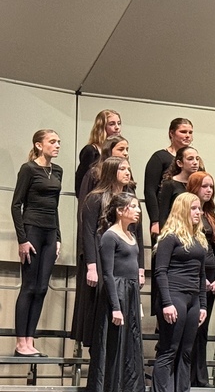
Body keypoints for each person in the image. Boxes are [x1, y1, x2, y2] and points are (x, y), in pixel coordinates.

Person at [84, 192, 145, 392]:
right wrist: (116, 306)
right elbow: (107, 274)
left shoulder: (131, 235)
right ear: (120, 210)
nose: (138, 211)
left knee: (126, 347)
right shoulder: (109, 236)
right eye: (133, 207)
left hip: (130, 292)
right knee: (112, 347)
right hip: (116, 293)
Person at [151, 192, 207, 392]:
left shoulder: (199, 239)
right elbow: (160, 271)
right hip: (173, 296)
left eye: (199, 209)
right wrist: (166, 302)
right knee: (169, 349)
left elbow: (202, 275)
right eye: (194, 208)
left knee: (186, 351)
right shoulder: (169, 237)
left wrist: (202, 304)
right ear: (183, 209)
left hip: (193, 299)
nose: (198, 213)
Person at [11, 129, 63, 357]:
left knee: (42, 288)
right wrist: (22, 239)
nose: (57, 145)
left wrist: (58, 237)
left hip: (50, 233)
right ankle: (20, 341)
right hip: (32, 229)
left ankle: (30, 340)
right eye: (52, 142)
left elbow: (55, 206)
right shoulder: (29, 169)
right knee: (29, 286)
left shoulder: (58, 170)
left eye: (58, 142)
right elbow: (16, 205)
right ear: (39, 145)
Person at [72, 157, 134, 347]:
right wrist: (91, 265)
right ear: (110, 171)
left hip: (121, 259)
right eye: (122, 168)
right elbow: (88, 232)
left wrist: (139, 268)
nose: (127, 172)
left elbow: (135, 233)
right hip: (99, 258)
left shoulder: (129, 199)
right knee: (99, 302)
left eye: (128, 168)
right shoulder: (95, 197)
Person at [185, 170, 215, 387]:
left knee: (203, 329)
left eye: (211, 187)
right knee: (192, 328)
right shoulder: (188, 213)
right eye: (204, 186)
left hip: (211, 274)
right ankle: (188, 375)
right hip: (195, 275)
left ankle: (200, 375)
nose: (208, 190)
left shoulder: (210, 214)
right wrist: (201, 278)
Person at [144, 118, 193, 244]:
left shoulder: (193, 160)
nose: (187, 136)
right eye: (183, 132)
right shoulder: (159, 157)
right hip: (165, 215)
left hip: (187, 216)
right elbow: (150, 191)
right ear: (171, 133)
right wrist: (155, 221)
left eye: (190, 132)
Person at [74, 109, 121, 196]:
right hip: (94, 200)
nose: (117, 127)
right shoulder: (90, 151)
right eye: (112, 124)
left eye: (119, 123)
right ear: (102, 127)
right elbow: (81, 183)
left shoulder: (117, 151)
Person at [157, 146, 200, 230]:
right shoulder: (170, 184)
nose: (195, 162)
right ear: (180, 163)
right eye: (190, 159)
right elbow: (163, 214)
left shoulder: (199, 183)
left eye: (197, 159)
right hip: (175, 228)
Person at [78, 134, 130, 200]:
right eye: (120, 149)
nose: (126, 153)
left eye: (127, 149)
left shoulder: (126, 173)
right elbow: (84, 200)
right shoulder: (94, 173)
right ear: (109, 151)